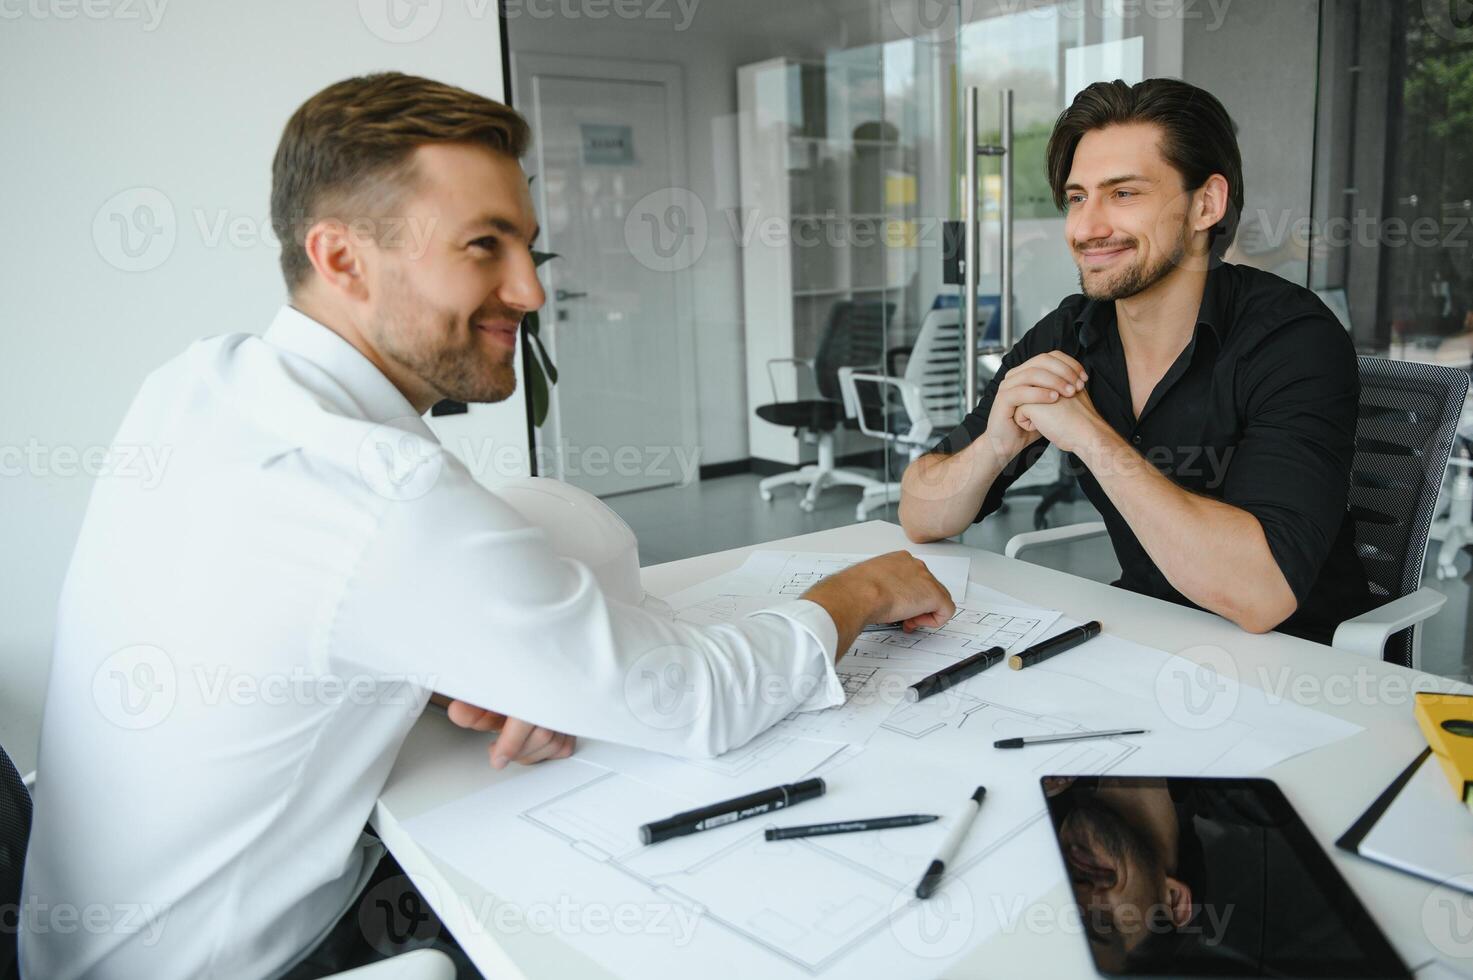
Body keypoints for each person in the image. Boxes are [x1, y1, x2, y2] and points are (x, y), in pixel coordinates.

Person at [20, 72, 955, 979]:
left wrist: (451, 660)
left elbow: (282, 611)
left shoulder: (201, 382)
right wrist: (860, 586)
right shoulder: (376, 493)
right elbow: (698, 701)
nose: (531, 292)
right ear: (341, 257)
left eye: (529, 248)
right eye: (482, 246)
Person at [900, 78, 1374, 643]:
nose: (1087, 227)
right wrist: (994, 446)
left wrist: (1094, 438)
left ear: (1205, 204)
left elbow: (1261, 596)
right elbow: (921, 513)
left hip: (1298, 667)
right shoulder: (1070, 332)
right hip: (1148, 640)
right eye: (1077, 198)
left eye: (1123, 194)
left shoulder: (1292, 338)